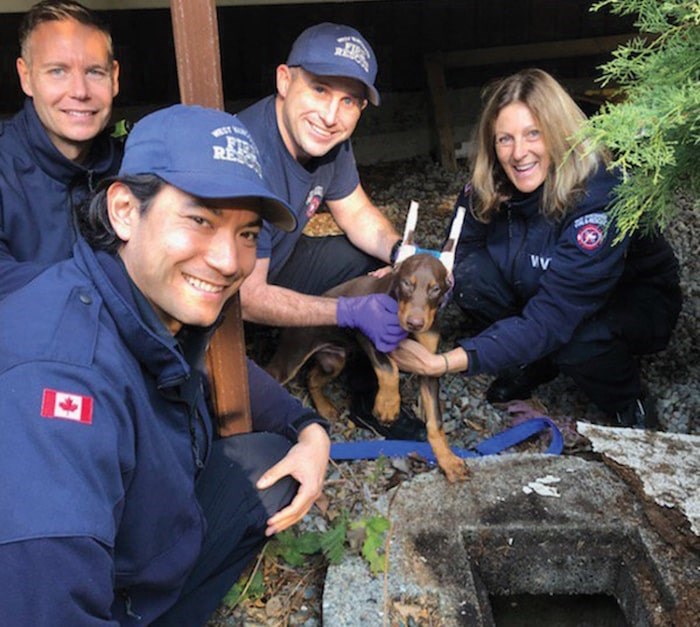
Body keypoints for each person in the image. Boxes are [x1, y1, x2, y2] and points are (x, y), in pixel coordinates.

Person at [0, 104, 332, 626]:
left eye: (247, 233)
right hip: (103, 596)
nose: (229, 261)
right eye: (200, 219)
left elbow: (198, 361)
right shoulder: (62, 381)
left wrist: (310, 429)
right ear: (125, 210)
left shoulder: (140, 300)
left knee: (274, 459)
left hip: (140, 548)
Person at [391, 68, 682, 429]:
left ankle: (629, 401)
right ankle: (536, 359)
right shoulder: (487, 185)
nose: (518, 153)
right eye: (505, 139)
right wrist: (400, 278)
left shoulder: (598, 195)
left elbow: (555, 316)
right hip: (542, 284)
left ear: (561, 134)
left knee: (576, 337)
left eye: (534, 134)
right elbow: (455, 258)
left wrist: (446, 362)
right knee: (469, 276)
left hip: (627, 302)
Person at [237, 22, 406, 346]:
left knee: (379, 265)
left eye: (349, 101)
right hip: (226, 297)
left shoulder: (329, 141)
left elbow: (356, 213)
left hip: (279, 263)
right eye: (320, 89)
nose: (331, 116)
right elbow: (247, 296)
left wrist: (404, 254)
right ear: (284, 80)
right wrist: (346, 311)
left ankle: (355, 368)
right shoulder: (249, 159)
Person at [0, 0, 122, 298]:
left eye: (94, 72)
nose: (80, 91)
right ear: (26, 76)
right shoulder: (4, 166)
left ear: (114, 77)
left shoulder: (133, 168)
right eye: (58, 71)